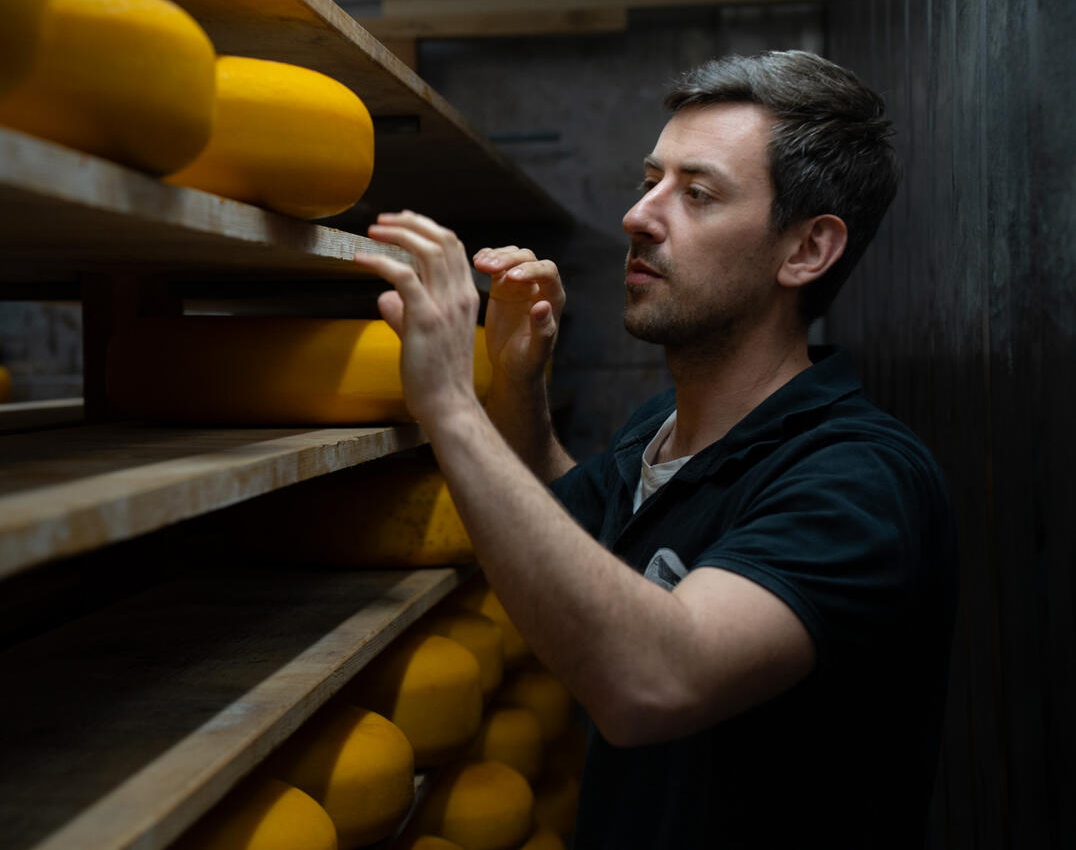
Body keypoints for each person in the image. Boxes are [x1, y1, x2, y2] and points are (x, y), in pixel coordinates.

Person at [354, 50, 956, 848]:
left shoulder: (861, 480)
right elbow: (566, 536)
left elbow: (655, 677)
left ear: (806, 250)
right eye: (651, 180)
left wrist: (450, 405)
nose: (640, 215)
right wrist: (515, 384)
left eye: (697, 193)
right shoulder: (661, 428)